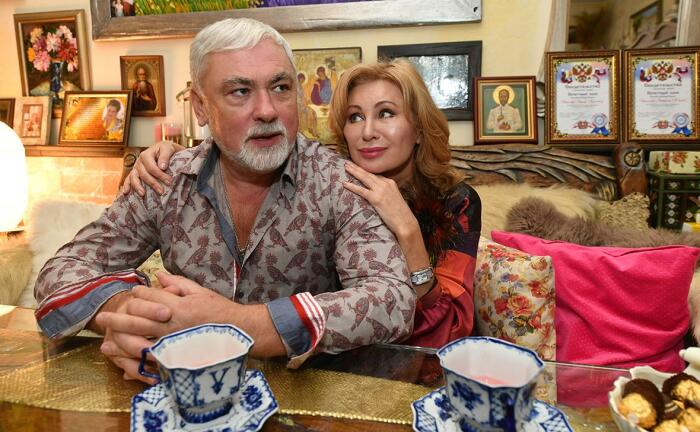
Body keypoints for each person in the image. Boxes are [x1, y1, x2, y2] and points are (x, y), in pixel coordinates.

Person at [34, 18, 414, 384]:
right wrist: (130, 314)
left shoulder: (339, 182)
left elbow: (392, 299)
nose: (267, 110)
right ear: (201, 106)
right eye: (240, 92)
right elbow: (62, 269)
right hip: (183, 395)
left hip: (306, 399)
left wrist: (239, 323)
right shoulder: (165, 178)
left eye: (280, 87)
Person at [124, 59, 481, 349]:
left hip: (419, 363)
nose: (367, 131)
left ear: (418, 128)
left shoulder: (455, 201)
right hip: (332, 358)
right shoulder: (330, 182)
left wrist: (408, 232)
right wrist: (176, 156)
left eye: (386, 113)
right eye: (355, 117)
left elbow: (452, 331)